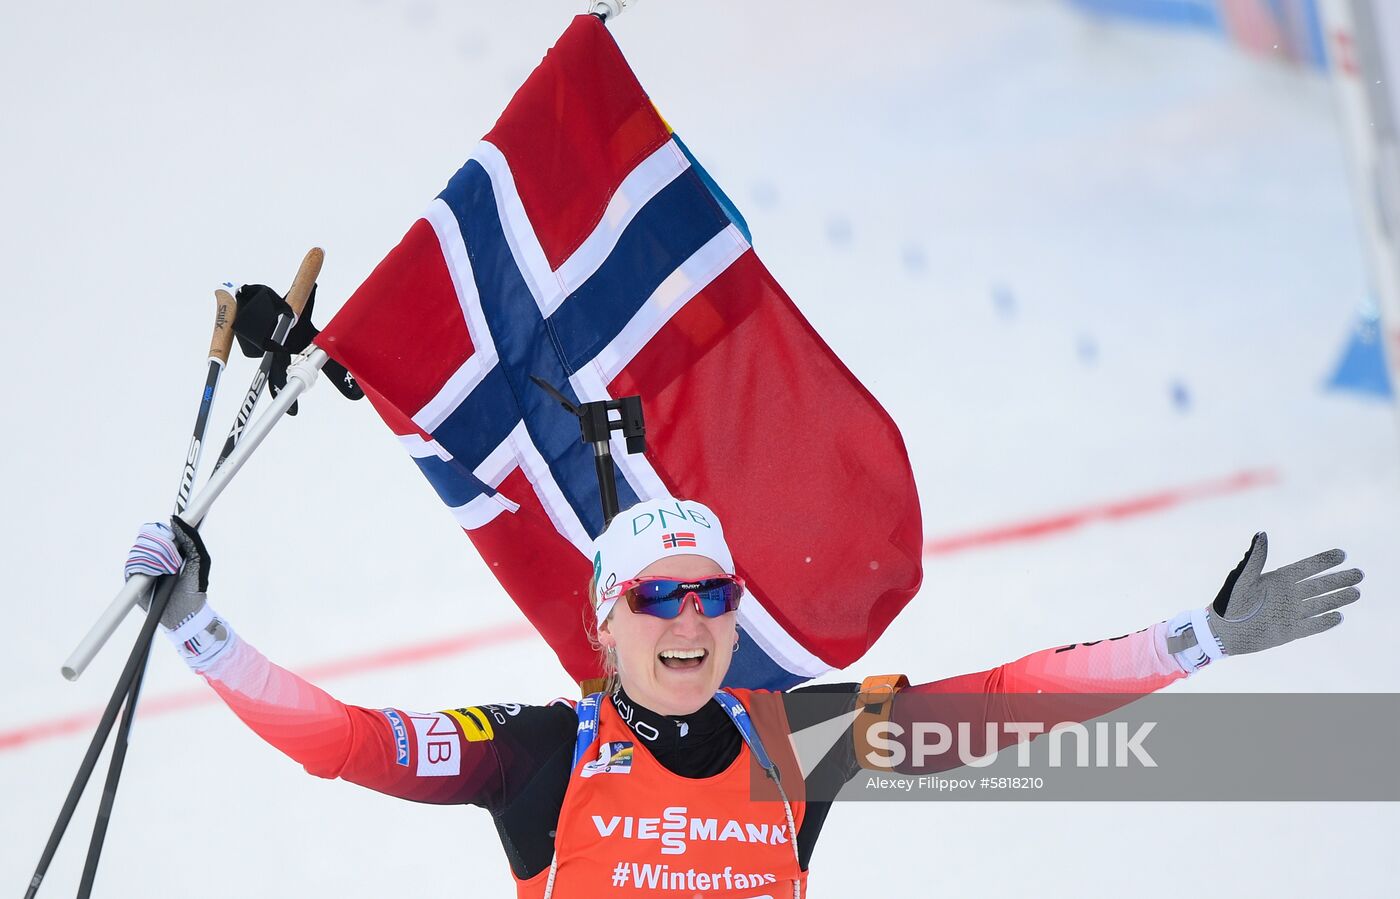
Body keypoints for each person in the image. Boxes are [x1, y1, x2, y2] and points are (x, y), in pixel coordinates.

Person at [125, 496, 1362, 897]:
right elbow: (345, 742)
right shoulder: (540, 752)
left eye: (710, 595)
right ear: (602, 621)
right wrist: (201, 629)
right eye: (655, 600)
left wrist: (1192, 637)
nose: (690, 622)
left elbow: (997, 708)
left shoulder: (795, 739)